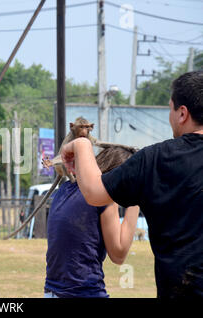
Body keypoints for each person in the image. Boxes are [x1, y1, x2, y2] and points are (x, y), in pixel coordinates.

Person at [60, 71, 203, 298]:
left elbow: (94, 192)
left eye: (170, 109)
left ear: (182, 113)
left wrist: (81, 147)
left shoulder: (155, 159)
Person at [43, 146, 139, 298]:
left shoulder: (64, 190)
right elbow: (118, 254)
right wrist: (136, 198)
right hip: (83, 293)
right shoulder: (104, 197)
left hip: (51, 292)